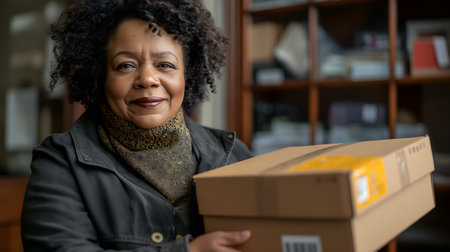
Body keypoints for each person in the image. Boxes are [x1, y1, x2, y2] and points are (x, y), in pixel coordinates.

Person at [21, 0, 253, 251]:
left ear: (187, 75)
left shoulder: (231, 155)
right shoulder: (61, 163)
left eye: (165, 65)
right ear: (100, 77)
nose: (147, 79)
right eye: (126, 66)